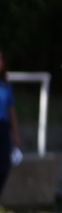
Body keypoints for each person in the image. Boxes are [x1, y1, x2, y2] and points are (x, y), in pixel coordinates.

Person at [0, 50, 19, 198]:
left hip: (3, 129)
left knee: (4, 168)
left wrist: (16, 136)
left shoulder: (6, 86)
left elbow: (11, 112)